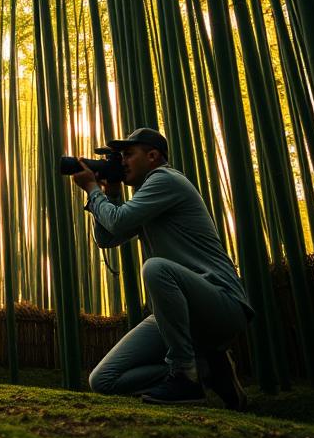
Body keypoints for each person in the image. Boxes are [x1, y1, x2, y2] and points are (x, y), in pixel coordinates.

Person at [70, 127, 253, 408]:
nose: (122, 162)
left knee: (155, 268)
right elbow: (108, 237)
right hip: (178, 311)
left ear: (153, 156)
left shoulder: (165, 180)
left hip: (221, 304)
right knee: (104, 380)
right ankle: (206, 369)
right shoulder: (146, 195)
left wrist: (93, 190)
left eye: (128, 155)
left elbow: (117, 222)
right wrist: (111, 194)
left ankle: (185, 377)